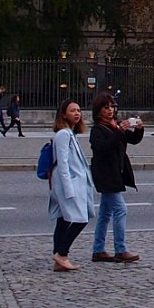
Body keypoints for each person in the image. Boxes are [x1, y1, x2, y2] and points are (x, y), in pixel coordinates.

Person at [89, 92, 142, 263]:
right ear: (98, 111)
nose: (110, 110)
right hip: (106, 175)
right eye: (106, 107)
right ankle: (120, 249)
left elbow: (132, 139)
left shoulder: (114, 125)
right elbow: (104, 147)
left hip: (115, 173)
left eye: (112, 107)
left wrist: (139, 129)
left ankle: (98, 250)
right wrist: (119, 131)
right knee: (120, 210)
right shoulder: (97, 130)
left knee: (105, 213)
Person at [48, 100, 94, 272]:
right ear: (63, 114)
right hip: (70, 184)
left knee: (63, 220)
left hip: (73, 183)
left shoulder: (70, 134)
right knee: (80, 219)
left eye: (79, 110)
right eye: (72, 110)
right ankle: (61, 253)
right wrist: (68, 189)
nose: (77, 113)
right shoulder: (64, 134)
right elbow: (63, 163)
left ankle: (58, 259)